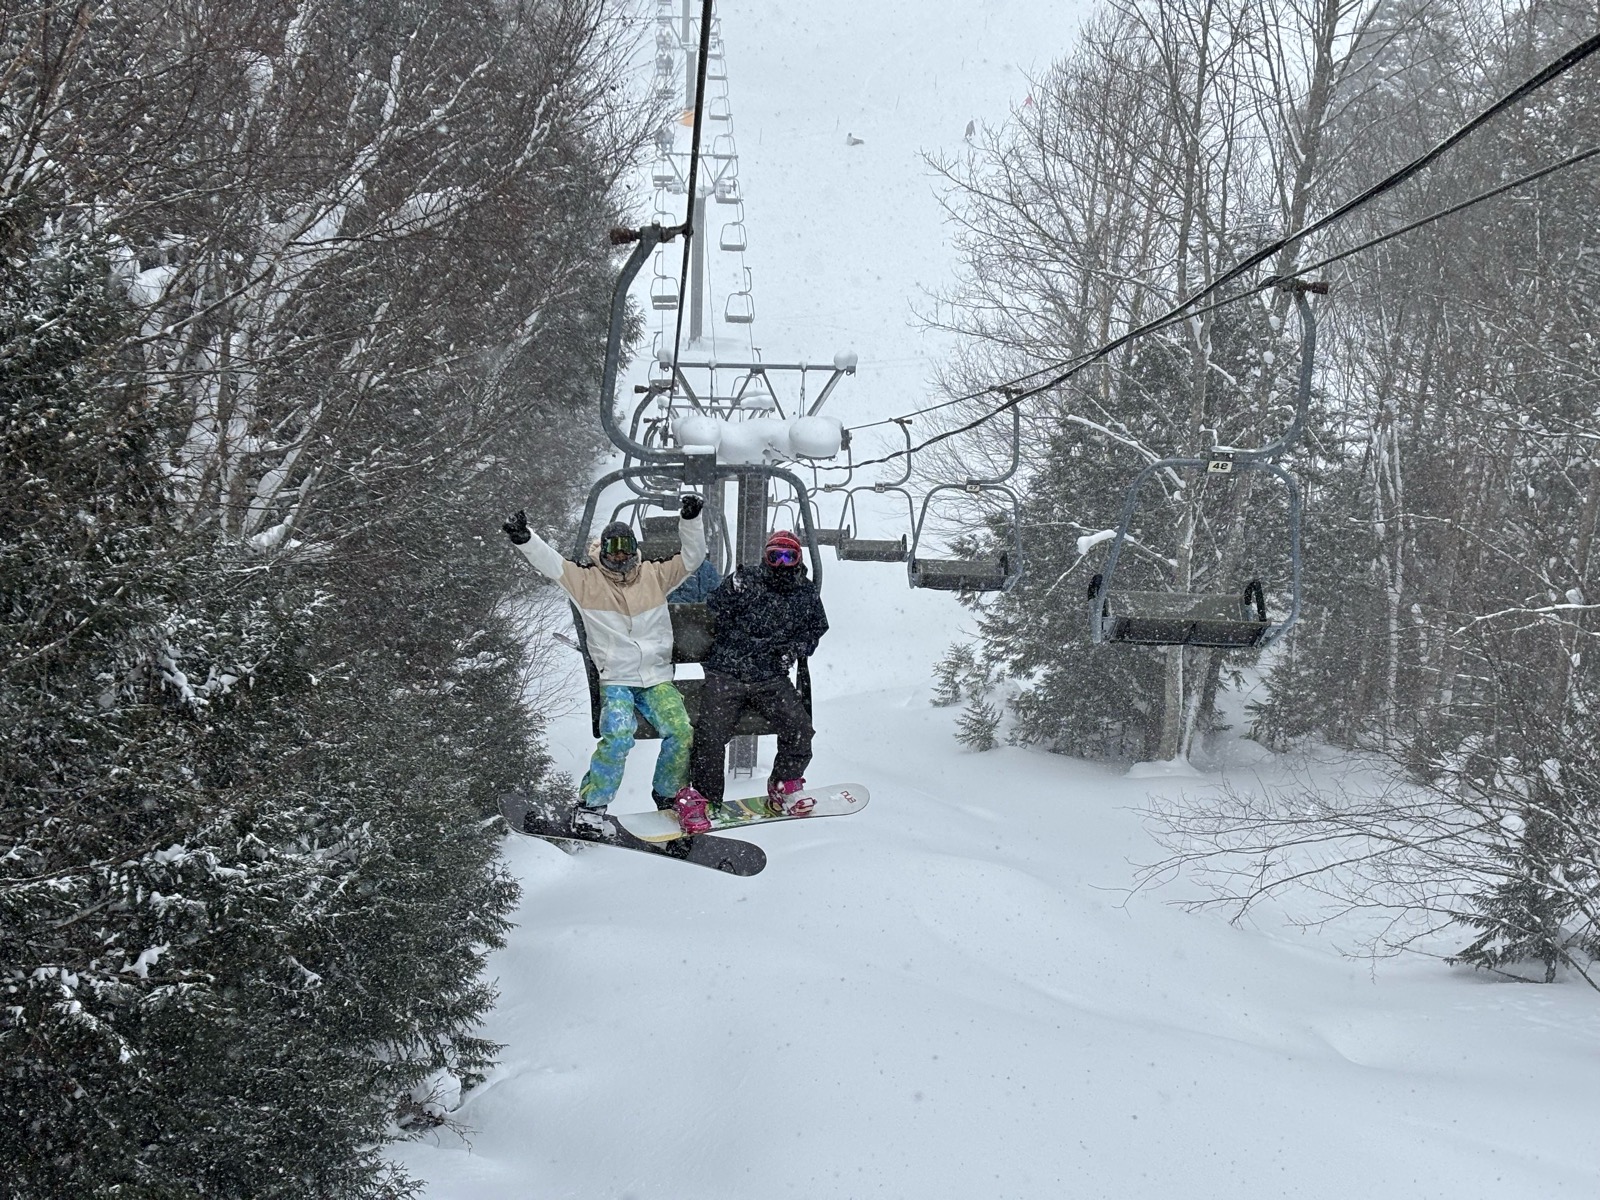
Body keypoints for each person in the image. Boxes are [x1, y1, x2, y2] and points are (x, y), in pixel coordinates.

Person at [501, 494, 715, 835]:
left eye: (625, 550)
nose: (619, 558)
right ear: (602, 552)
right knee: (618, 736)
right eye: (612, 551)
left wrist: (690, 520)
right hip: (617, 679)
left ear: (634, 551)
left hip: (656, 678)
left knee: (680, 730)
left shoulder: (654, 576)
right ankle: (592, 804)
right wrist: (525, 539)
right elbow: (551, 564)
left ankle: (668, 794)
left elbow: (693, 557)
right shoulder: (586, 582)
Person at [687, 530, 829, 815]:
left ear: (798, 559)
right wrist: (730, 588)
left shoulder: (805, 592)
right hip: (728, 670)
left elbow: (815, 629)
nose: (781, 563)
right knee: (710, 735)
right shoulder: (748, 580)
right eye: (775, 556)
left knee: (799, 728)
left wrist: (795, 649)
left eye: (788, 557)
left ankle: (784, 784)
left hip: (769, 675)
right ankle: (706, 798)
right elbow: (715, 605)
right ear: (766, 557)